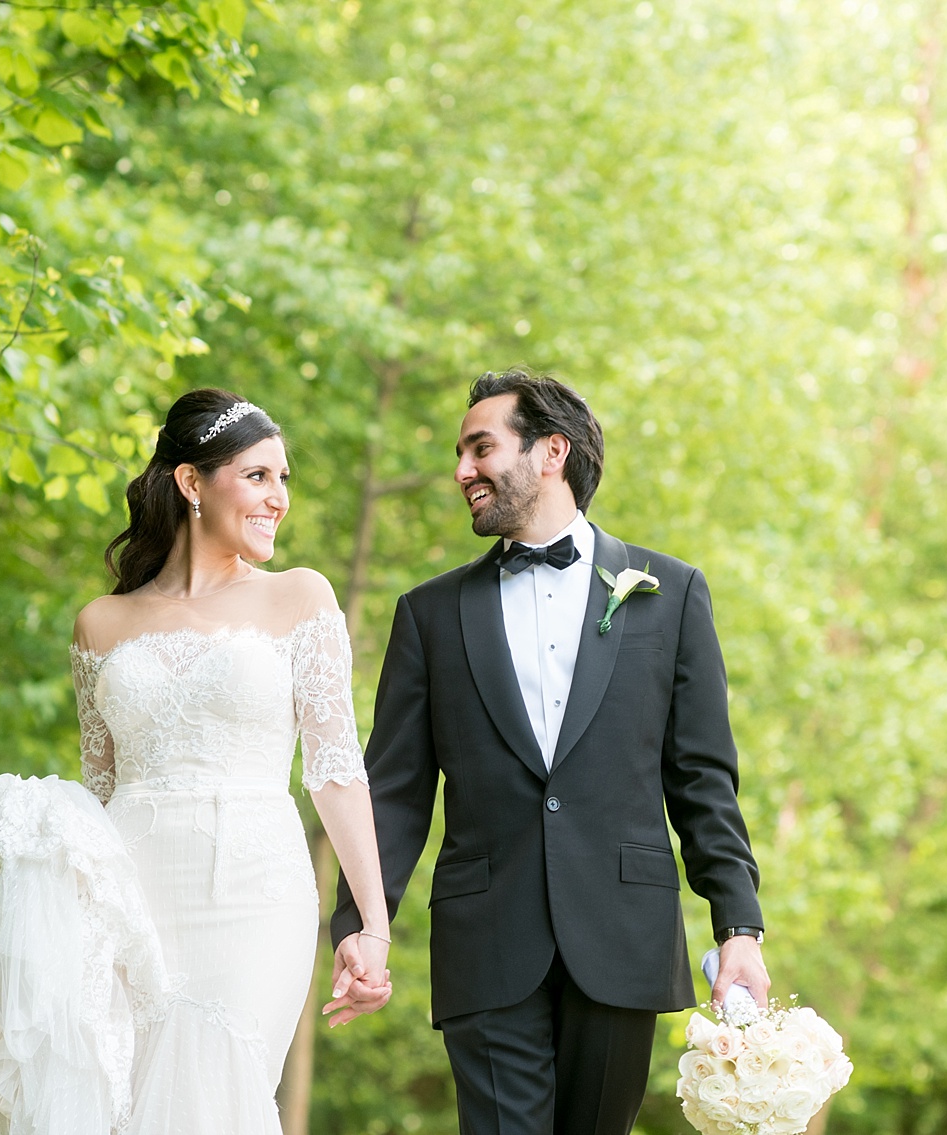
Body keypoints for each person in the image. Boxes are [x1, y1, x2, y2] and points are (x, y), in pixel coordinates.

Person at [326, 369, 770, 1135]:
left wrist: (739, 927)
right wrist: (363, 924)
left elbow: (703, 780)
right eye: (461, 453)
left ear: (551, 452)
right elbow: (394, 789)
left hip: (624, 936)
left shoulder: (671, 592)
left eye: (480, 447)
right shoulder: (428, 615)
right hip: (486, 939)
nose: (462, 471)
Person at [0, 388, 392, 1131]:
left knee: (219, 1092)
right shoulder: (101, 622)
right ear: (192, 481)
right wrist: (11, 855)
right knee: (123, 1099)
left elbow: (337, 770)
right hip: (130, 897)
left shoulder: (301, 598)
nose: (278, 498)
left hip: (255, 891)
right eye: (257, 475)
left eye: (284, 478)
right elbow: (98, 795)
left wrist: (372, 926)